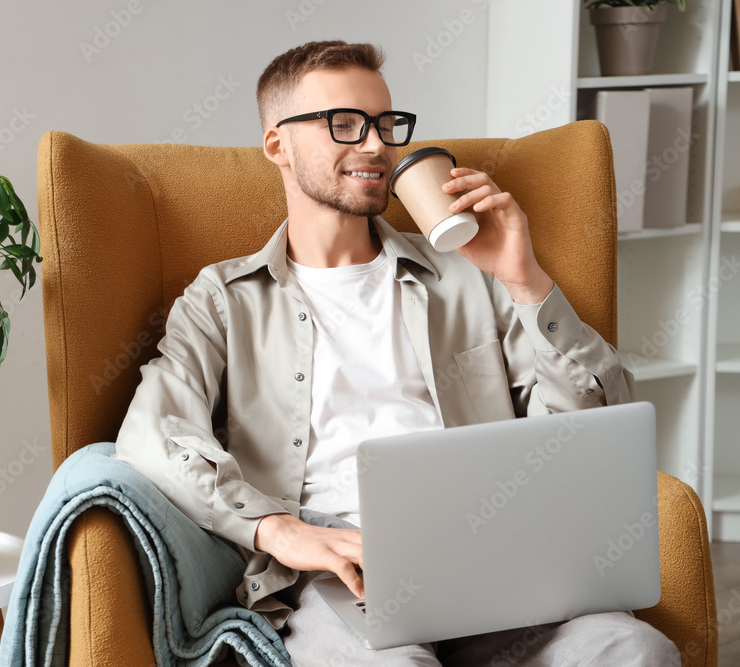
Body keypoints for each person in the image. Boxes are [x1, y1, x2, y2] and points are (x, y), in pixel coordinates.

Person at [114, 40, 680, 666]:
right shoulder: (224, 297)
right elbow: (153, 430)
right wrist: (277, 530)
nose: (378, 146)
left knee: (634, 650)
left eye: (386, 124)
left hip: (496, 563)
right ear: (278, 145)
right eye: (346, 125)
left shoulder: (469, 272)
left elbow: (596, 422)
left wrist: (525, 281)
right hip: (347, 578)